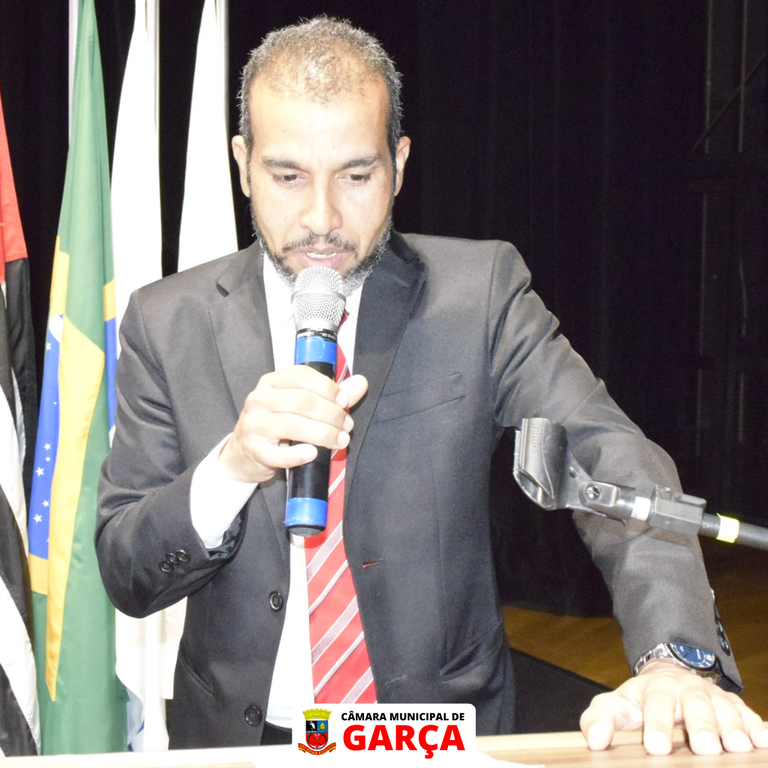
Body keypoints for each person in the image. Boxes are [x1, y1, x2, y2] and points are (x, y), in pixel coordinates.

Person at [96, 16, 768, 756]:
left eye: (356, 175)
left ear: (399, 163)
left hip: (428, 739)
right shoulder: (166, 321)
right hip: (236, 741)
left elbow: (610, 456)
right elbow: (128, 568)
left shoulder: (479, 295)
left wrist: (675, 658)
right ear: (243, 165)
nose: (321, 218)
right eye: (288, 176)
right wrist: (232, 468)